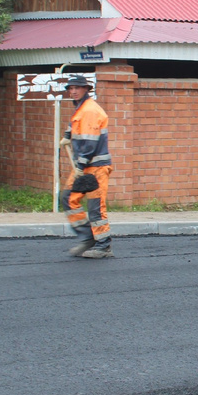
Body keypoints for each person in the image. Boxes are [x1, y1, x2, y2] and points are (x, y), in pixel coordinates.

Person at [60, 75, 114, 258]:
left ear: (86, 89)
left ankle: (103, 246)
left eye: (77, 88)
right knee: (68, 198)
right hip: (84, 166)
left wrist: (80, 166)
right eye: (71, 88)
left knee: (95, 206)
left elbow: (90, 142)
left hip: (95, 167)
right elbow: (76, 125)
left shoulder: (90, 110)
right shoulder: (81, 108)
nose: (73, 91)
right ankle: (88, 237)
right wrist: (68, 134)